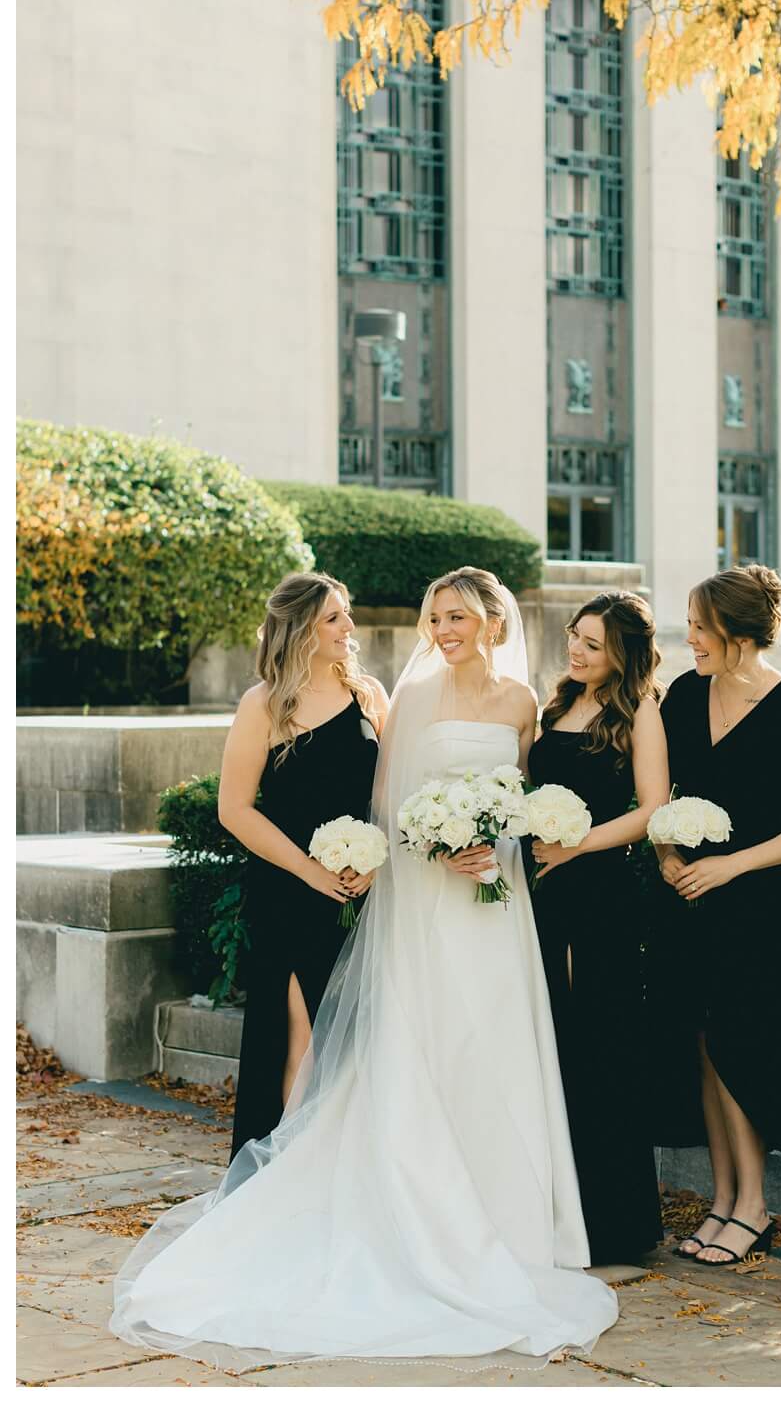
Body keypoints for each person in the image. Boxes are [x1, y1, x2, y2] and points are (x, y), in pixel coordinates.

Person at [111, 568, 616, 1370]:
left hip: (489, 899)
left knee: (492, 1042)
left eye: (453, 616)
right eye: (341, 617)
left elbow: (515, 798)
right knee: (346, 1048)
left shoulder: (497, 704)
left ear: (490, 620)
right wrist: (415, 850)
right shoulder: (332, 703)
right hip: (375, 893)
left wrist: (493, 845)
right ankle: (317, 1189)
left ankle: (510, 1219)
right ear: (304, 627)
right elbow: (384, 803)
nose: (431, 629)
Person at [654, 565, 781, 1267]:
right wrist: (667, 856)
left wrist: (732, 865)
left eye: (700, 627)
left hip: (760, 904)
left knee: (742, 1047)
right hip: (689, 896)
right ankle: (721, 1198)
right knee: (703, 1046)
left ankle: (755, 1207)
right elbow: (660, 790)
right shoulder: (683, 695)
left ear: (739, 632)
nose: (689, 639)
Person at [217, 572, 385, 1155]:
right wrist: (308, 870)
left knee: (354, 1043)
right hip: (288, 894)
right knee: (302, 1038)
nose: (349, 627)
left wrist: (376, 859)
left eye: (346, 613)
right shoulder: (263, 704)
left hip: (359, 896)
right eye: (334, 617)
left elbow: (386, 798)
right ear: (301, 629)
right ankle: (286, 1175)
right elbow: (235, 809)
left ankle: (343, 1173)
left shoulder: (369, 695)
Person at [527, 591, 670, 1266]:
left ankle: (614, 1221)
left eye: (592, 644)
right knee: (551, 1042)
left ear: (624, 653)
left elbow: (652, 810)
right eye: (574, 637)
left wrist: (575, 846)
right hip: (542, 894)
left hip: (601, 892)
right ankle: (552, 1211)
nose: (576, 651)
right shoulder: (554, 706)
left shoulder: (640, 711)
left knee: (601, 1046)